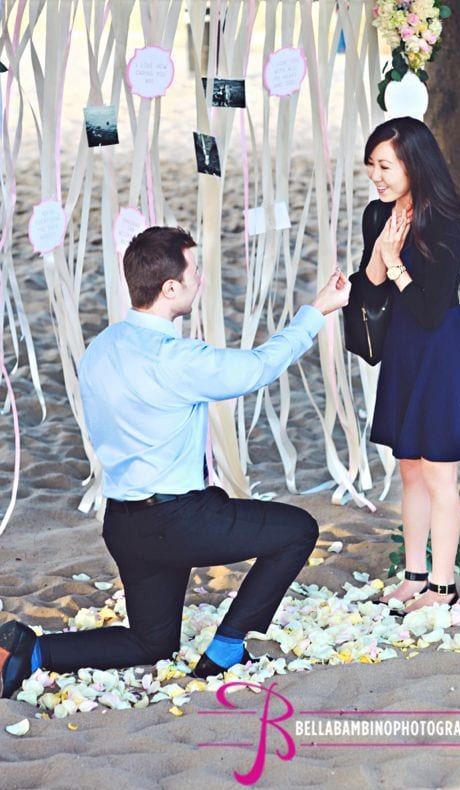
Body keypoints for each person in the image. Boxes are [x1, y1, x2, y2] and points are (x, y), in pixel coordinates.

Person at [0, 226, 350, 698]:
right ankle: (227, 648)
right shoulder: (176, 358)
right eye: (194, 272)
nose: (200, 280)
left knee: (151, 643)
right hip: (176, 522)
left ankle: (33, 652)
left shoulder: (100, 347)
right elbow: (259, 368)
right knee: (298, 530)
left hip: (122, 524)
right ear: (170, 288)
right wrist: (316, 312)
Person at [355, 116, 460, 612]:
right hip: (402, 352)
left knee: (439, 473)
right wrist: (383, 252)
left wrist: (395, 261)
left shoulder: (444, 221)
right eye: (371, 164)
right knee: (409, 469)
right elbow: (367, 287)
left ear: (414, 164)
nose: (376, 175)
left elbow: (429, 307)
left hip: (441, 352)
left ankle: (443, 585)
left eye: (385, 165)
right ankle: (414, 573)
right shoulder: (379, 215)